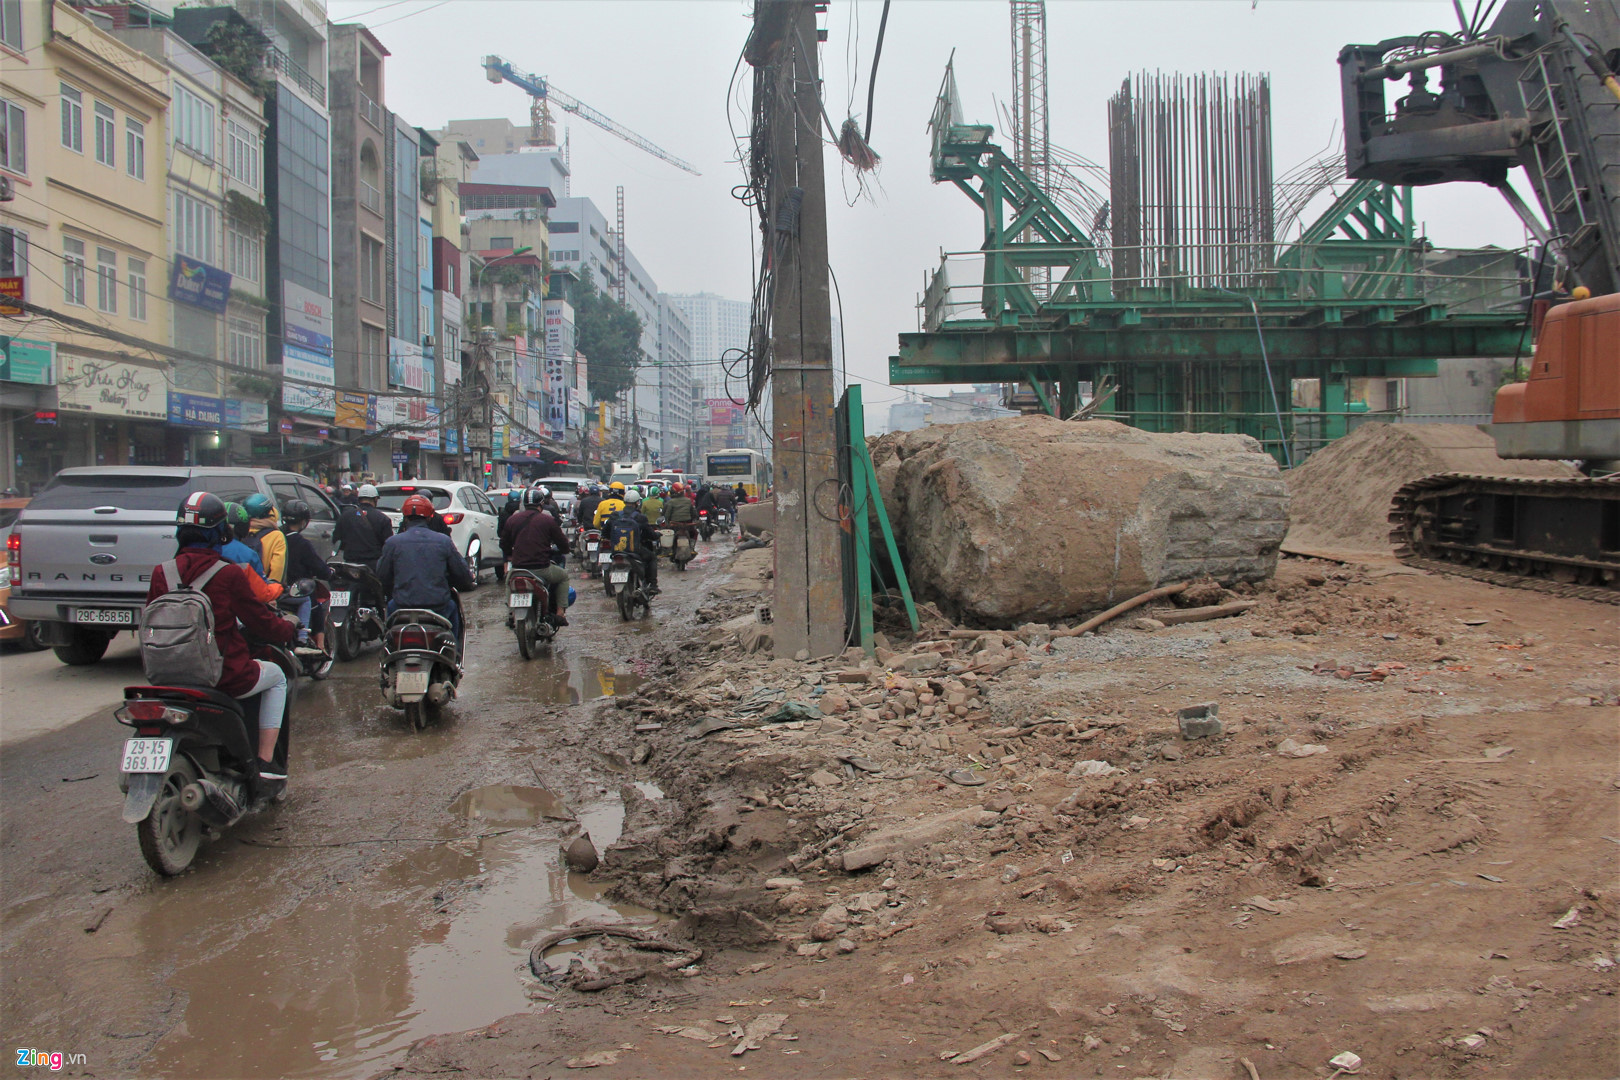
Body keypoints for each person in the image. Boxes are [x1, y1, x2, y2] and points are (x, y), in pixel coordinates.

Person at [147, 492, 299, 799]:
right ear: (221, 531)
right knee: (278, 678)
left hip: (164, 674)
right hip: (223, 674)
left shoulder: (162, 572)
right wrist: (287, 629)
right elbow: (260, 622)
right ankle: (266, 764)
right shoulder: (228, 572)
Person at [377, 493, 474, 652]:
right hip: (439, 607)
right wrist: (466, 580)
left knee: (389, 631)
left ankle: (388, 659)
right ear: (430, 517)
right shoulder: (443, 541)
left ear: (405, 517)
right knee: (454, 614)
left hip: (401, 606)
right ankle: (454, 656)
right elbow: (463, 574)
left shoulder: (393, 542)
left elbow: (381, 575)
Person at [501, 487, 571, 625]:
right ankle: (560, 613)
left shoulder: (512, 520)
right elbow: (562, 542)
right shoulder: (548, 520)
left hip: (518, 568)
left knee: (509, 582)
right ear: (541, 504)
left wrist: (511, 555)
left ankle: (511, 613)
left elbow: (504, 544)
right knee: (563, 576)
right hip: (542, 569)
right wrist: (564, 550)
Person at [281, 500, 334, 653]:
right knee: (316, 607)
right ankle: (314, 644)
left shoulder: (276, 537)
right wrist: (329, 573)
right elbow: (318, 566)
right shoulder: (301, 543)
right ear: (304, 521)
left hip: (275, 588)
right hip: (294, 590)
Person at [221, 502, 284, 606]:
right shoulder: (248, 554)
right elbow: (262, 593)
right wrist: (278, 586)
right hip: (238, 611)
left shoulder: (198, 549)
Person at [608, 489, 660, 596]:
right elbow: (649, 534)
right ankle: (653, 585)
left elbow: (605, 532)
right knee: (652, 557)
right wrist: (657, 535)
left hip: (617, 551)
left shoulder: (615, 515)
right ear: (637, 503)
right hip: (634, 551)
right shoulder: (640, 517)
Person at [334, 483, 393, 569]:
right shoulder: (383, 519)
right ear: (375, 499)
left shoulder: (345, 516)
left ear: (359, 498)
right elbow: (388, 545)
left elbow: (336, 538)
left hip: (350, 565)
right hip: (374, 566)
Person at [241, 492, 287, 584]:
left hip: (240, 588)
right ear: (269, 513)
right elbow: (277, 569)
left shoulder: (239, 532)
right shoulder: (276, 536)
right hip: (264, 590)